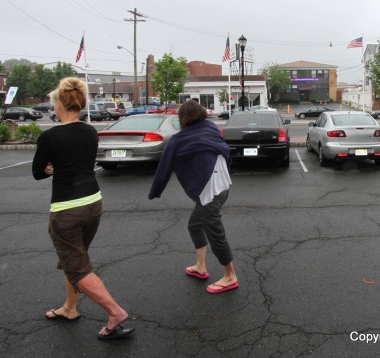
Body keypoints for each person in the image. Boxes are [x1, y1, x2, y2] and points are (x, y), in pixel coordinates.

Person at [32, 77, 134, 340]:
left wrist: (52, 168)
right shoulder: (90, 131)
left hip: (67, 209)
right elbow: (82, 163)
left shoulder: (50, 136)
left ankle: (115, 312)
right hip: (93, 203)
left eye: (54, 102)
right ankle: (69, 307)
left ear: (59, 104)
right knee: (76, 257)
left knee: (78, 267)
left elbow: (37, 173)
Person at [148, 100, 238, 294]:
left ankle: (230, 276)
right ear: (202, 115)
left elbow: (164, 168)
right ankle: (200, 266)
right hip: (223, 185)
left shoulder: (178, 140)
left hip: (210, 191)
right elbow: (223, 149)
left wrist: (155, 191)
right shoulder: (211, 127)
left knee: (215, 232)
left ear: (182, 118)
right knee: (195, 225)